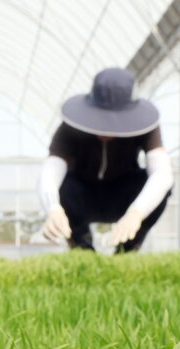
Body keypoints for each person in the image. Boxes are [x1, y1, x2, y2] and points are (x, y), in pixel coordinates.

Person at [38, 68, 173, 253]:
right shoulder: (70, 126)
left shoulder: (147, 127)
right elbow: (51, 168)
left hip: (122, 196)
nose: (105, 129)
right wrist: (52, 208)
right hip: (82, 195)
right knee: (62, 186)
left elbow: (162, 174)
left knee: (159, 189)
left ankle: (126, 252)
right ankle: (82, 251)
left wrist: (136, 212)